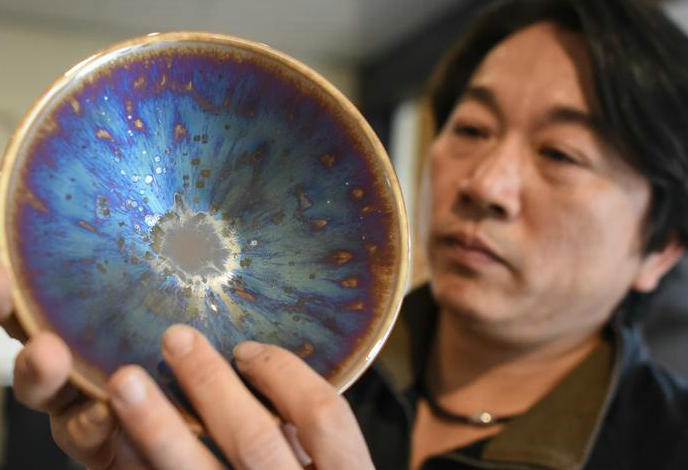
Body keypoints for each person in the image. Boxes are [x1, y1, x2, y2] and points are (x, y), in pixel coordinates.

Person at [3, 0, 688, 468]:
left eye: (561, 154)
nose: (485, 184)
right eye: (472, 128)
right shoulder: (275, 365)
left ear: (662, 248)